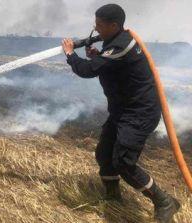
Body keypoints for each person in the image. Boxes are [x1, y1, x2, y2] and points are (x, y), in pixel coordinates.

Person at [61, 4, 180, 223]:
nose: (95, 30)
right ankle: (113, 197)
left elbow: (87, 70)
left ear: (114, 25)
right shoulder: (114, 43)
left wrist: (70, 55)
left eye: (99, 26)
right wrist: (98, 56)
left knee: (123, 162)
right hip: (122, 111)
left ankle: (165, 202)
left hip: (139, 114)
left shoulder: (121, 46)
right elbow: (110, 65)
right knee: (104, 154)